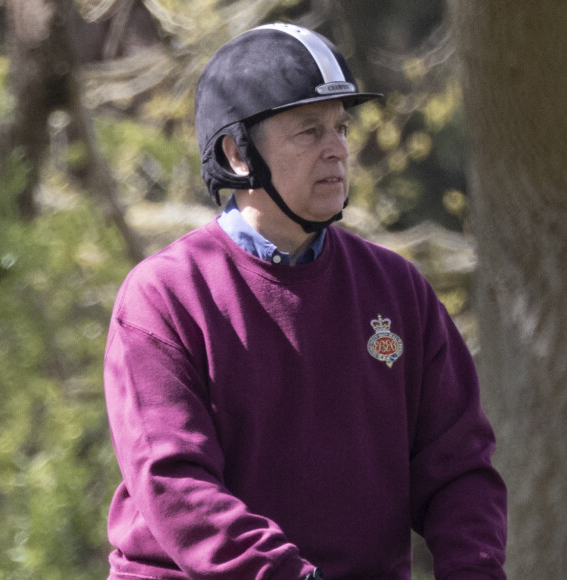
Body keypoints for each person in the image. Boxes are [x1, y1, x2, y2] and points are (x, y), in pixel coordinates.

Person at [103, 22, 507, 580]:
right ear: (236, 153)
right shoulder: (164, 296)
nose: (338, 149)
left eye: (341, 127)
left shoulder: (398, 288)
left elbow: (459, 469)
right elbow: (175, 483)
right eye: (309, 130)